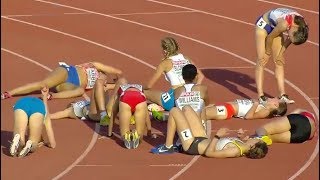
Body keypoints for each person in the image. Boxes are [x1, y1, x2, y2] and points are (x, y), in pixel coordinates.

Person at [151, 106, 268, 159]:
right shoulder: (242, 145)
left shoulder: (235, 151)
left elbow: (210, 154)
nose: (256, 137)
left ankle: (168, 146)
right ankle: (178, 140)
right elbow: (236, 143)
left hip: (192, 145)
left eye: (257, 139)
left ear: (253, 146)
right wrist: (241, 137)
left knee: (175, 111)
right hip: (201, 138)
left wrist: (217, 136)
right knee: (187, 108)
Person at [255, 8, 308, 104]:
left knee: (279, 61)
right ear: (294, 30)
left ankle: (283, 95)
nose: (289, 38)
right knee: (262, 60)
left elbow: (289, 39)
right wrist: (267, 53)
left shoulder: (302, 27)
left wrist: (280, 54)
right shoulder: (284, 25)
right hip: (264, 25)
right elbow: (270, 37)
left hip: (276, 26)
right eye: (291, 37)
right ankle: (261, 96)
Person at [1, 61, 122, 100]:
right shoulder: (96, 66)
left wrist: (115, 82)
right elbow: (118, 71)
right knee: (44, 84)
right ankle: (9, 93)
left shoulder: (102, 84)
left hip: (70, 85)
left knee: (80, 91)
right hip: (67, 72)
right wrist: (117, 75)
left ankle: (50, 96)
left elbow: (118, 86)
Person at [143, 37, 204, 111]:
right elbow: (201, 76)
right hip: (190, 97)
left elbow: (149, 86)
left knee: (143, 92)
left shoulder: (164, 63)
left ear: (165, 51)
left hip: (173, 99)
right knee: (163, 94)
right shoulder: (186, 58)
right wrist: (193, 91)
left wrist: (139, 88)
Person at [105, 77, 152, 149]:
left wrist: (110, 133)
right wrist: (149, 131)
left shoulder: (120, 89)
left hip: (125, 99)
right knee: (140, 137)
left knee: (124, 134)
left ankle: (126, 137)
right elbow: (146, 115)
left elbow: (113, 114)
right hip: (140, 98)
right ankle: (137, 136)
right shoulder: (140, 87)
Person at [9, 86, 56, 157]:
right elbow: (53, 144)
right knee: (33, 143)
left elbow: (45, 105)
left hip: (22, 102)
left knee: (20, 139)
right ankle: (30, 144)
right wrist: (45, 143)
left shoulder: (44, 110)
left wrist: (44, 95)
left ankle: (18, 138)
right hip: (38, 107)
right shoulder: (46, 118)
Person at [252, 109, 317, 144]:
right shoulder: (313, 132)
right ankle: (253, 139)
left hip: (299, 120)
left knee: (263, 129)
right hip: (303, 136)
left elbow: (298, 110)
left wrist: (285, 119)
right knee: (269, 138)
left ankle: (254, 138)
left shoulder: (310, 115)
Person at [205, 97, 287, 120]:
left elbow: (248, 117)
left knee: (199, 114)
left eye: (277, 99)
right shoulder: (263, 105)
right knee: (198, 111)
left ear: (276, 105)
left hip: (227, 110)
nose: (275, 97)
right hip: (225, 106)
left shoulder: (265, 111)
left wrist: (255, 104)